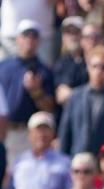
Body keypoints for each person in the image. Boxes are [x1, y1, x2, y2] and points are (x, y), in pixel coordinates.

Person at [0, 20, 55, 163]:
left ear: (39, 40)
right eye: (26, 35)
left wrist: (36, 91)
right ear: (18, 38)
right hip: (3, 130)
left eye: (34, 36)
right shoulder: (3, 67)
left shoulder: (45, 71)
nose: (29, 39)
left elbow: (49, 108)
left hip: (29, 133)